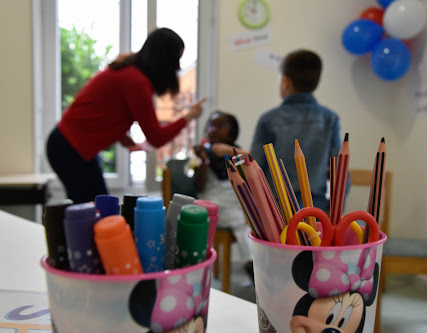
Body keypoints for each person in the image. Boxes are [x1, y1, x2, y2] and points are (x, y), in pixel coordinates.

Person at [46, 28, 206, 204]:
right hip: (68, 149)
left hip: (74, 147)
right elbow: (156, 138)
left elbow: (102, 107)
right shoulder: (137, 81)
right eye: (176, 59)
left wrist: (121, 135)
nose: (178, 67)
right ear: (164, 59)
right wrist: (188, 116)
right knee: (92, 212)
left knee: (99, 209)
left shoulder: (129, 71)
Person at [250, 49, 350, 214]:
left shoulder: (269, 119)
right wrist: (335, 212)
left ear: (285, 81)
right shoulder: (329, 118)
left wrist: (255, 211)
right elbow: (339, 172)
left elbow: (255, 169)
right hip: (318, 211)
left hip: (277, 212)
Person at [192, 111, 254, 280]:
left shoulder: (236, 152)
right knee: (241, 221)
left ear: (232, 132)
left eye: (220, 126)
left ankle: (255, 264)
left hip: (235, 203)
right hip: (212, 203)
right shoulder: (203, 153)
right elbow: (198, 185)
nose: (213, 129)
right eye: (211, 125)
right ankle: (252, 264)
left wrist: (230, 152)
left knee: (249, 220)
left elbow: (253, 166)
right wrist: (203, 161)